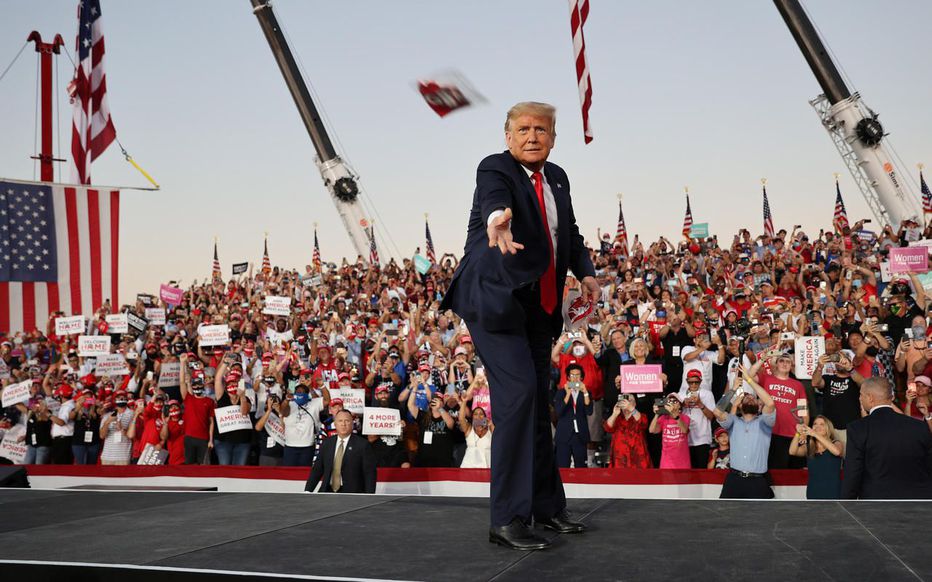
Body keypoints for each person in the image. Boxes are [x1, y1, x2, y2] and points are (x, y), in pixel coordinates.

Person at [440, 102, 596, 549]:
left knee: (536, 400)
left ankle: (546, 508)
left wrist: (584, 271)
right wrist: (497, 219)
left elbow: (570, 235)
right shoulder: (495, 168)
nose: (532, 136)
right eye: (523, 129)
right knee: (519, 395)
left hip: (538, 306)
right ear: (508, 136)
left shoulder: (559, 178)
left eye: (541, 129)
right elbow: (496, 203)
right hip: (494, 303)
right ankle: (506, 519)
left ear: (553, 137)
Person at [841, 377, 932, 499]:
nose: (860, 399)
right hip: (917, 502)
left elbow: (853, 472)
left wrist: (846, 505)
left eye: (861, 395)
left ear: (870, 397)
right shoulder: (919, 426)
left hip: (877, 504)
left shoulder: (858, 428)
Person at [710, 366, 777, 499]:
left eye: (753, 398)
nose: (750, 398)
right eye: (746, 398)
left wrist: (749, 380)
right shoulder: (733, 421)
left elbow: (770, 403)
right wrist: (733, 389)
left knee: (761, 519)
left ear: (759, 405)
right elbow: (717, 411)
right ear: (739, 405)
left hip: (757, 481)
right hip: (734, 480)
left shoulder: (765, 422)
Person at [305, 409, 376, 493]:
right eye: (340, 421)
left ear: (352, 424)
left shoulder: (363, 445)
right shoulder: (327, 443)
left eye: (347, 421)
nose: (343, 424)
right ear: (335, 424)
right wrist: (308, 491)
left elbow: (369, 474)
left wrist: (369, 496)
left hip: (352, 494)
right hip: (327, 491)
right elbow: (317, 469)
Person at [789, 415, 844, 499]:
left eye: (822, 424)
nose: (817, 426)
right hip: (813, 492)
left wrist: (814, 434)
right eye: (815, 424)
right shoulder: (809, 447)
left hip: (833, 493)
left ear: (828, 428)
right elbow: (792, 451)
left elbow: (837, 452)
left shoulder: (836, 443)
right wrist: (798, 433)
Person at [553, 363, 592, 468]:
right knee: (562, 467)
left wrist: (585, 392)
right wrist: (568, 393)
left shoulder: (586, 393)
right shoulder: (560, 393)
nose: (575, 378)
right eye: (572, 375)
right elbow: (559, 412)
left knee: (581, 468)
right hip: (564, 434)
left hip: (580, 435)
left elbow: (589, 411)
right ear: (568, 377)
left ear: (582, 377)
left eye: (578, 375)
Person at [603, 394, 650, 468]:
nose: (626, 403)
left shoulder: (640, 415)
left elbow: (643, 423)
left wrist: (632, 409)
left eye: (630, 400)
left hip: (638, 459)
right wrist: (614, 414)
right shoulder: (617, 418)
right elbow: (607, 427)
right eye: (624, 400)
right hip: (620, 460)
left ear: (635, 404)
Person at [649, 393, 690, 469]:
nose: (671, 403)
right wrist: (657, 414)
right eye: (669, 401)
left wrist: (675, 416)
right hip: (667, 462)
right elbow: (652, 430)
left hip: (682, 463)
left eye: (674, 401)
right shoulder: (663, 418)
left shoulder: (685, 418)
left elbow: (684, 430)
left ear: (679, 405)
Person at [458, 393, 493, 468]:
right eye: (475, 414)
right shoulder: (469, 428)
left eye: (481, 414)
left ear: (485, 417)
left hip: (487, 467)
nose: (478, 416)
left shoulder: (490, 428)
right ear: (472, 417)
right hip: (468, 467)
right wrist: (464, 402)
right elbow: (461, 419)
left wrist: (490, 424)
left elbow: (500, 438)